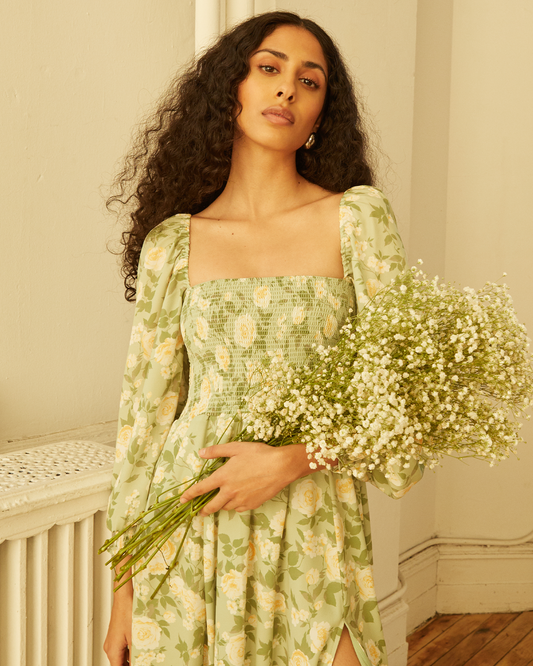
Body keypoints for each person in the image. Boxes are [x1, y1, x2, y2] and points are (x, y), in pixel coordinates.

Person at [103, 11, 423, 666]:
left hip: (312, 520)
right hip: (189, 524)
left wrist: (293, 459)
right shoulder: (173, 244)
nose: (286, 89)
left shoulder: (355, 219)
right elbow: (144, 423)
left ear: (320, 115)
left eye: (309, 81)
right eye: (268, 68)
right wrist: (122, 594)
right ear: (231, 88)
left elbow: (405, 401)